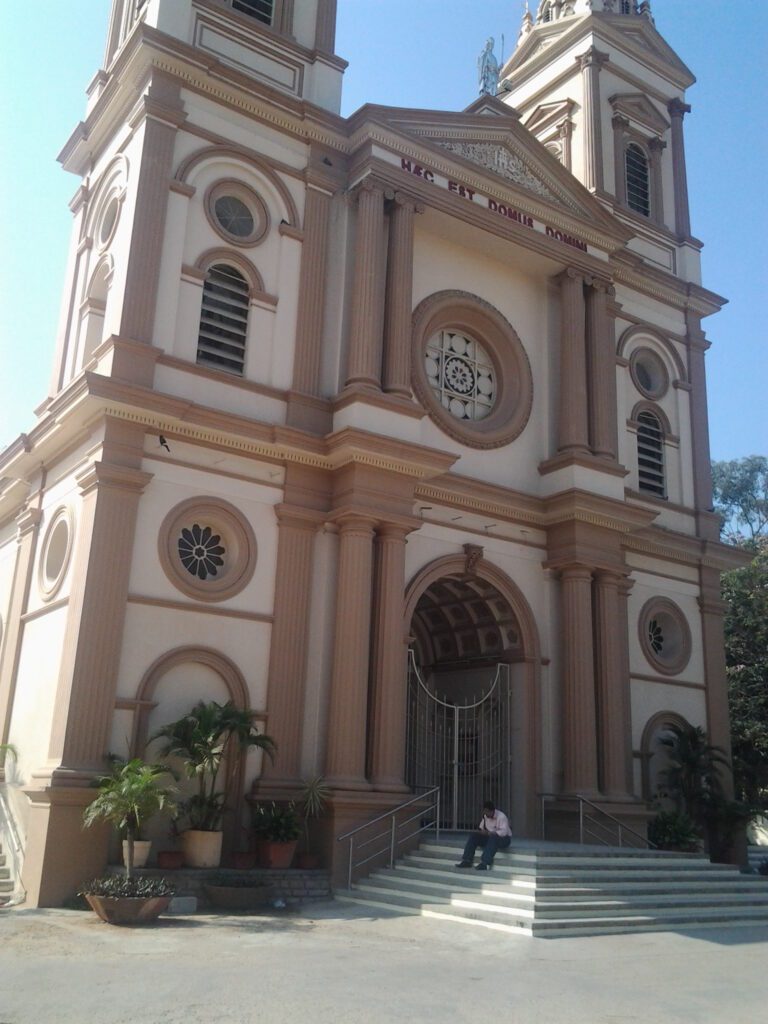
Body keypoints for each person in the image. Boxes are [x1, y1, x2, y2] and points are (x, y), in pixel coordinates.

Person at [455, 800, 512, 870]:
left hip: (503, 839)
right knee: (474, 836)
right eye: (484, 811)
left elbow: (504, 832)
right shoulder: (485, 816)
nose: (486, 813)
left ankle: (485, 863)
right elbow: (481, 828)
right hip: (490, 837)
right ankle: (467, 860)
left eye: (487, 812)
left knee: (493, 837)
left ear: (492, 811)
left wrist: (492, 833)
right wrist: (482, 832)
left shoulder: (501, 816)